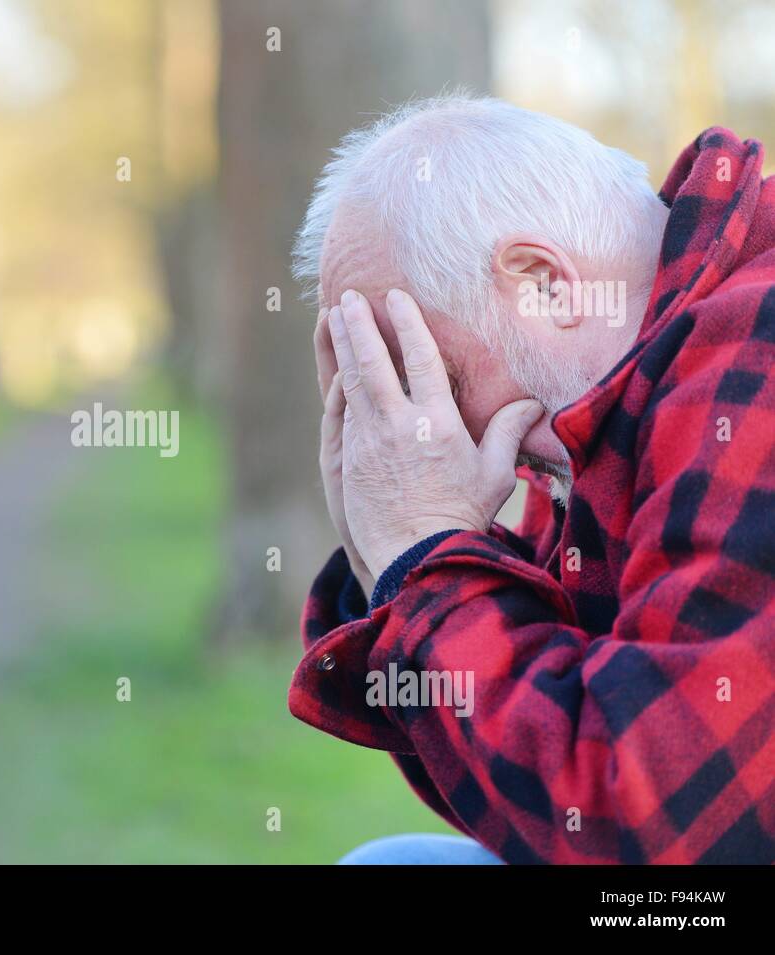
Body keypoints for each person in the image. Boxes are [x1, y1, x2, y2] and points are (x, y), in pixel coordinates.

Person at [291, 94, 775, 864]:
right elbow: (531, 817)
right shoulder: (586, 414)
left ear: (546, 284)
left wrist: (426, 565)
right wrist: (387, 565)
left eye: (432, 381)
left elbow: (664, 842)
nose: (427, 432)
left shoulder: (756, 356)